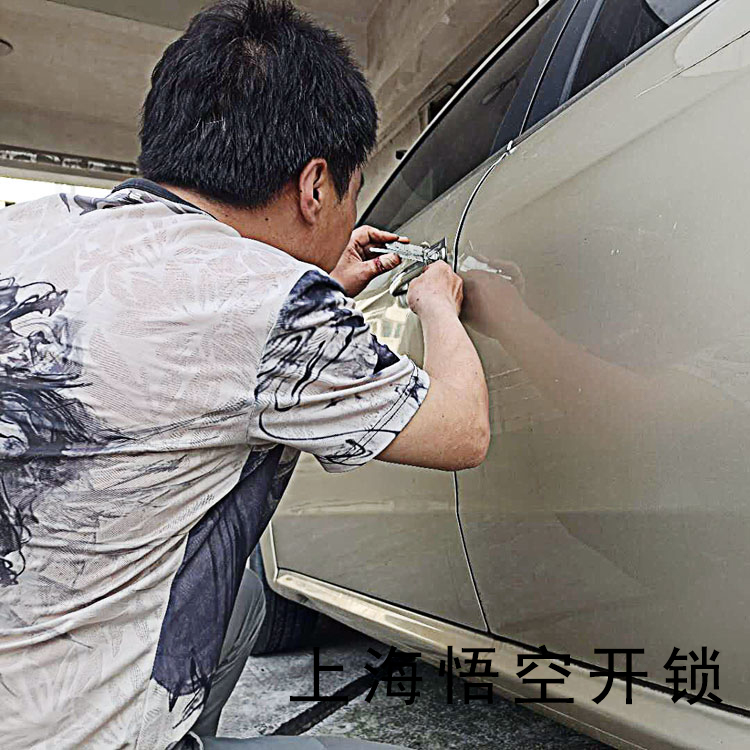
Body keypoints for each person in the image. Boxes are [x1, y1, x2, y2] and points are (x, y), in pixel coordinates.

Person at [0, 1, 489, 749]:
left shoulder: (27, 229)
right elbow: (461, 430)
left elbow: (190, 330)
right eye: (354, 189)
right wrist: (437, 306)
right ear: (315, 186)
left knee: (246, 608)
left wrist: (311, 289)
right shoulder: (269, 304)